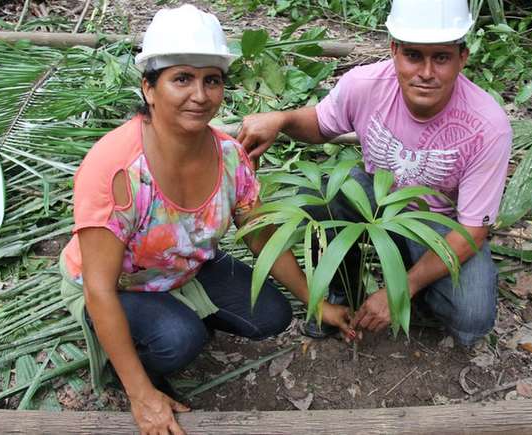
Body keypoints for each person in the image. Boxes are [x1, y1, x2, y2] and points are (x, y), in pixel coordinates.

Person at [59, 5, 352, 435]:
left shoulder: (230, 156)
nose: (200, 95)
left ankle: (175, 321)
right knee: (180, 341)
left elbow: (260, 237)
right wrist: (141, 396)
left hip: (183, 269)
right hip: (118, 286)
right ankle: (133, 366)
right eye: (182, 78)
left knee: (271, 315)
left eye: (210, 80)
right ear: (149, 88)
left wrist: (314, 301)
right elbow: (99, 287)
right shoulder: (117, 171)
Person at [238, 0, 512, 347]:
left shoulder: (487, 125)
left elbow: (473, 229)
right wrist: (282, 119)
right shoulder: (364, 85)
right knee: (328, 195)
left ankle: (416, 280)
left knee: (471, 318)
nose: (426, 72)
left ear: (463, 57)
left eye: (440, 57)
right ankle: (340, 290)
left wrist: (401, 289)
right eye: (413, 55)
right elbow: (321, 124)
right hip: (377, 198)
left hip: (440, 223)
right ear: (394, 50)